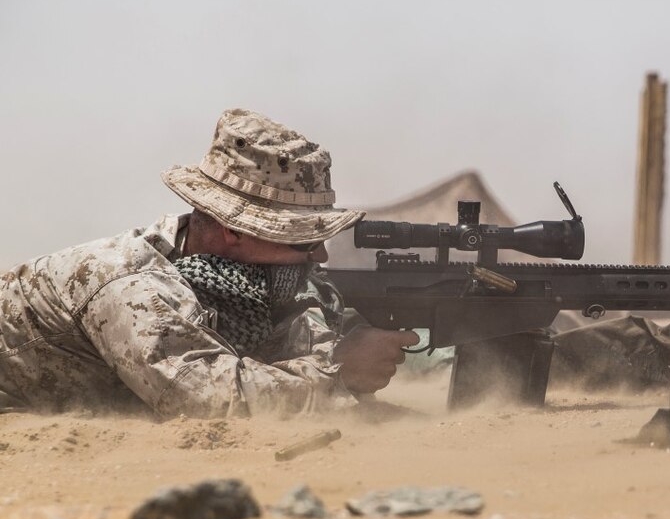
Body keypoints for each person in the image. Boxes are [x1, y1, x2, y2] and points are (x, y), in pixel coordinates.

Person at [0, 108, 419, 417]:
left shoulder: (245, 282)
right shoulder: (130, 282)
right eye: (302, 242)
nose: (319, 255)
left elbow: (286, 349)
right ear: (232, 229)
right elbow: (206, 400)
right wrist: (340, 373)